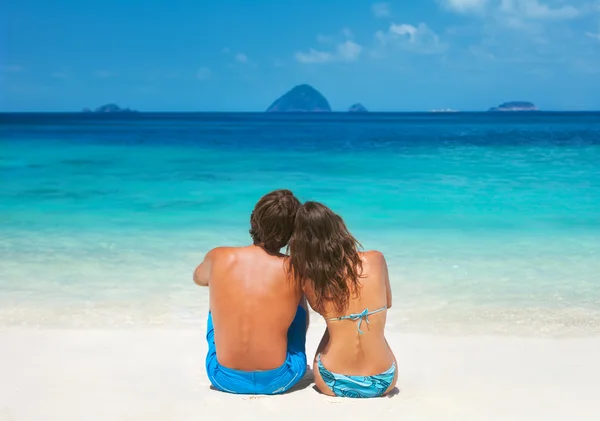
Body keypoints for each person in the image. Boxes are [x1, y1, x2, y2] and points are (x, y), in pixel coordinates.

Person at [193, 189, 308, 395]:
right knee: (299, 300)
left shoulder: (219, 256)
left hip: (222, 376)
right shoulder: (295, 268)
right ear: (293, 232)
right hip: (280, 378)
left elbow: (199, 278)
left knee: (217, 302)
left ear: (253, 220)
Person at [287, 201, 397, 398]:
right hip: (384, 379)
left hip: (331, 381)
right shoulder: (376, 259)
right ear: (337, 225)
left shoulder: (310, 280)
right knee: (371, 323)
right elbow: (387, 303)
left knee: (334, 326)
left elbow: (325, 314)